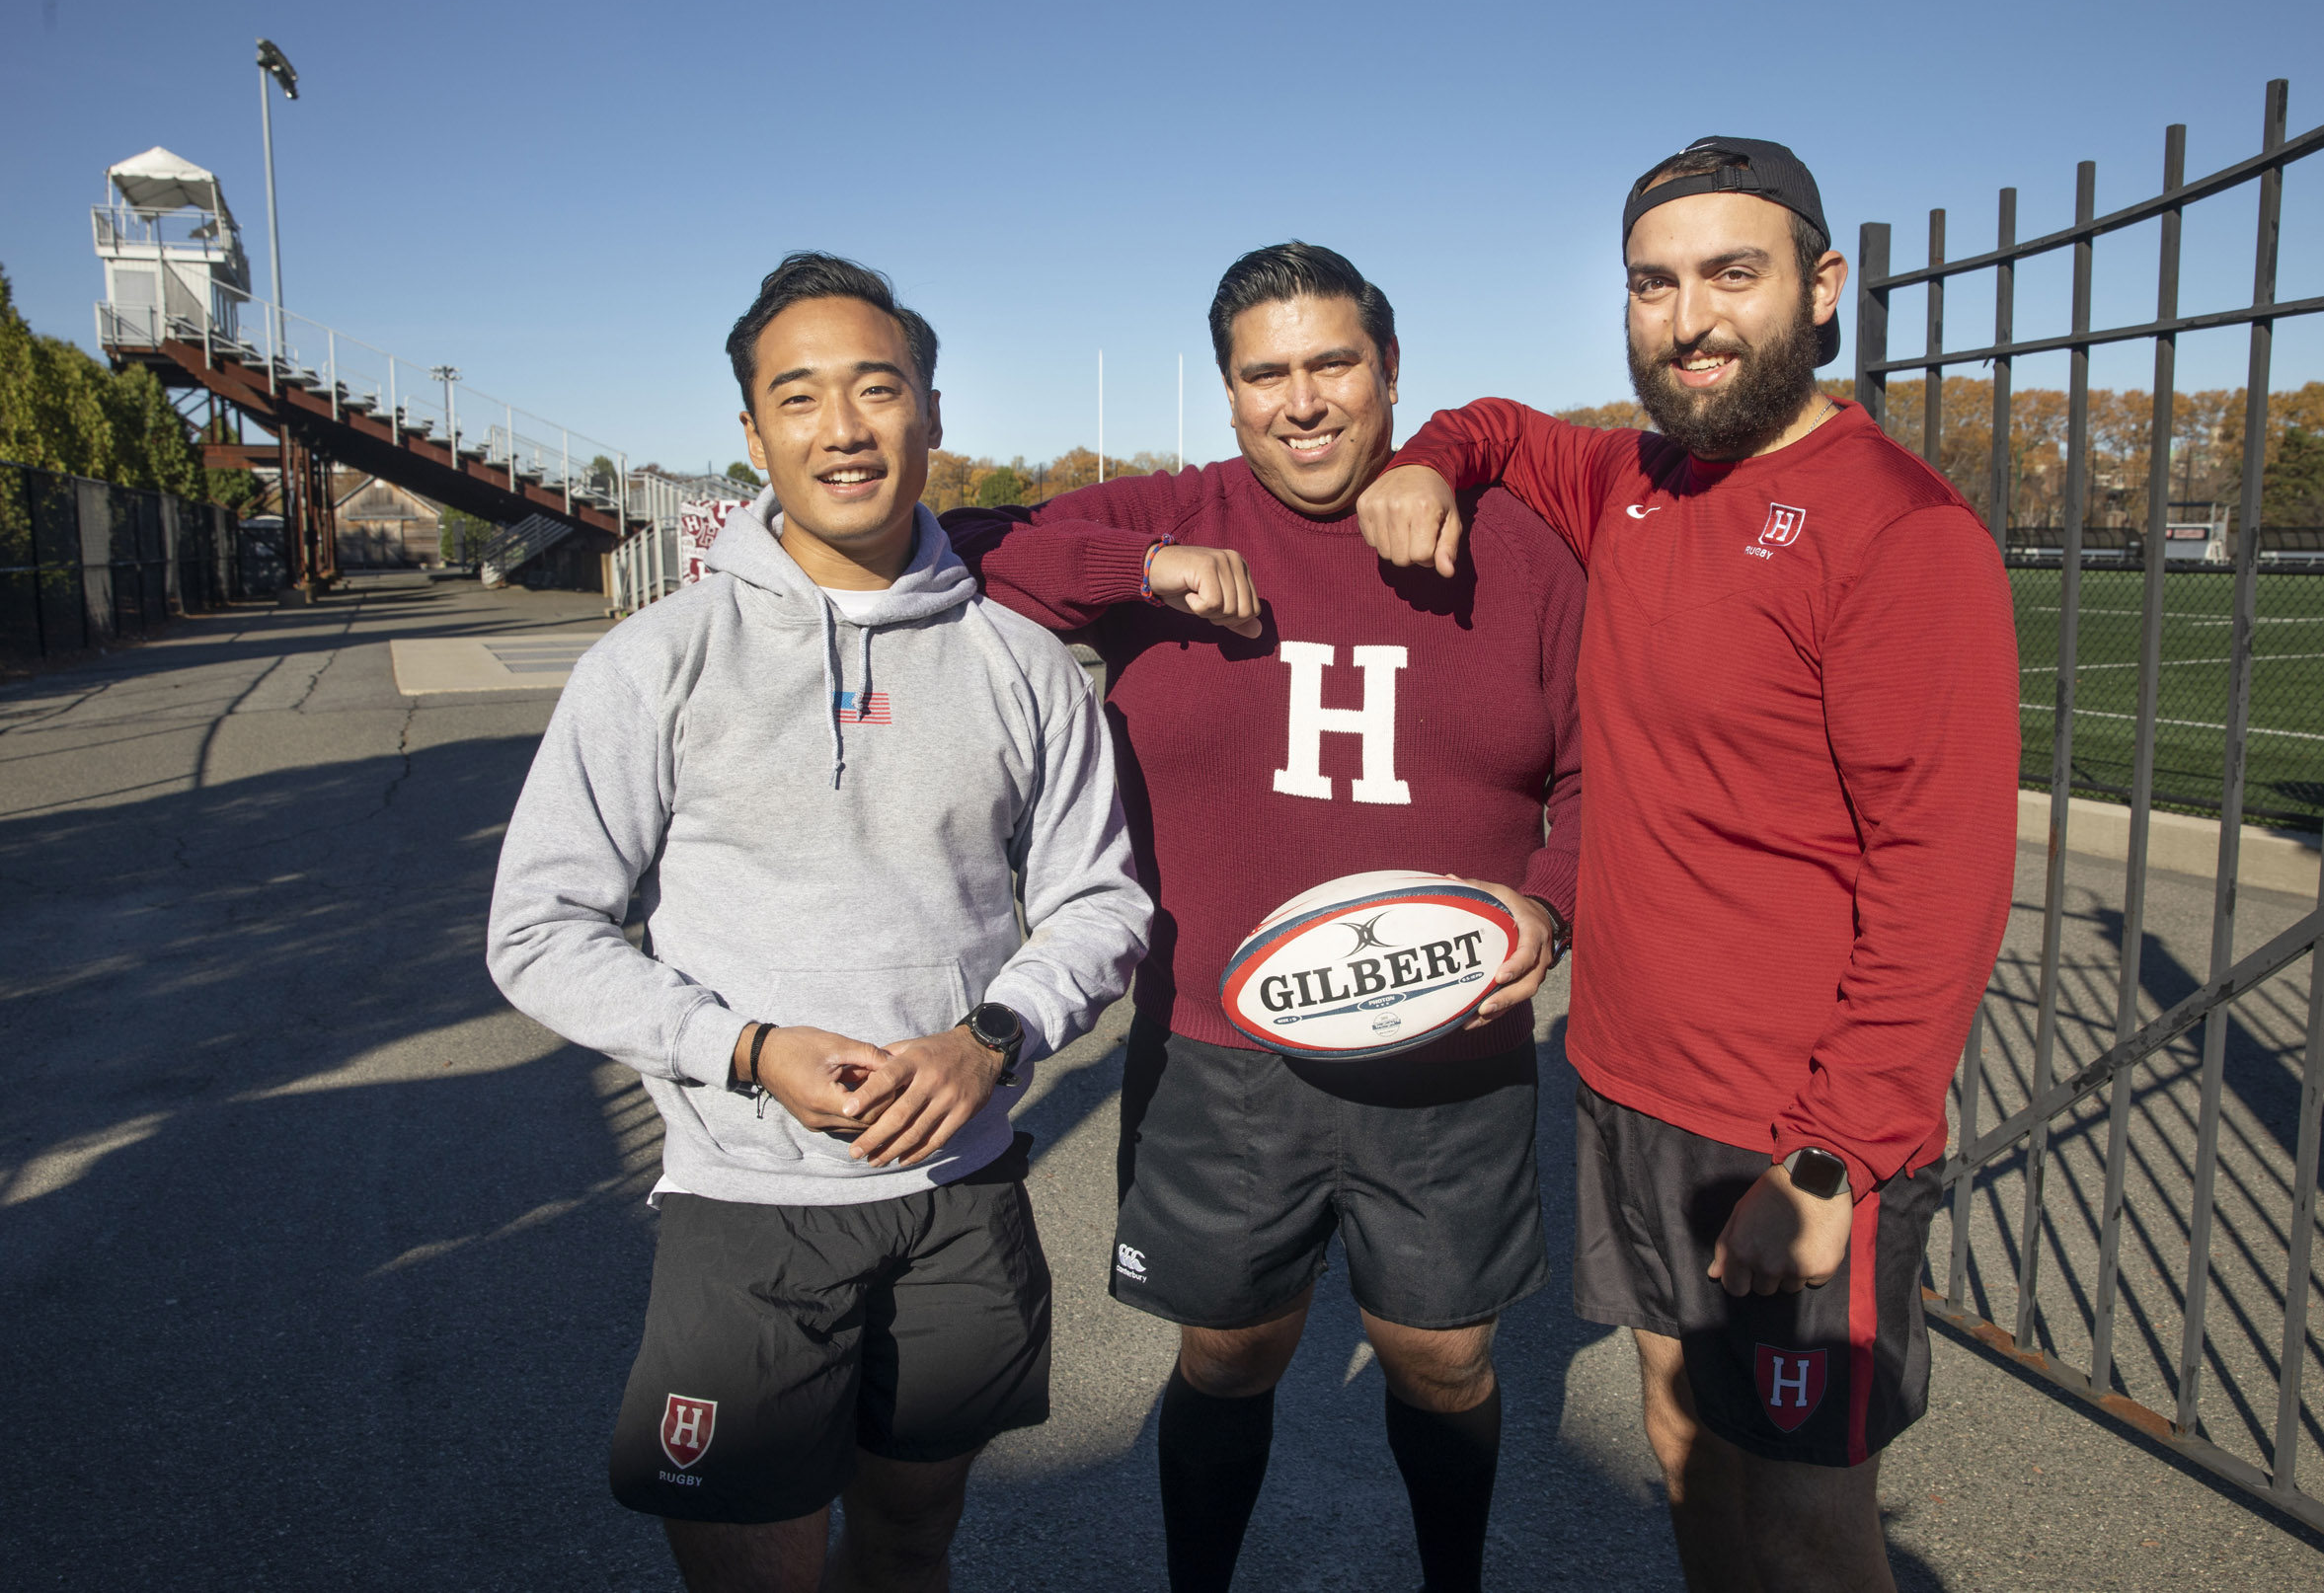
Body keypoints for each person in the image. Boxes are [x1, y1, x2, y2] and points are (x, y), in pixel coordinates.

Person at [1355, 139, 2020, 1593]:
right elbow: (1492, 424)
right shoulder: (1632, 481)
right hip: (1624, 1087)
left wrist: (1833, 1158)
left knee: (1807, 1517)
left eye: (1733, 274)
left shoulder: (1902, 531)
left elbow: (1945, 879)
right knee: (1681, 1441)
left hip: (1788, 1122)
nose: (1689, 317)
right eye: (1653, 284)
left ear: (1821, 287)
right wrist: (1422, 461)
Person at [487, 253, 1149, 1593]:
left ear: (932, 413)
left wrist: (994, 1037)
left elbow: (1100, 899)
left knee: (911, 1543)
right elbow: (540, 928)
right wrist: (742, 1048)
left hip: (963, 1196)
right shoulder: (656, 663)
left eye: (877, 387)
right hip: (747, 1211)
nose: (843, 427)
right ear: (752, 433)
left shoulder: (1021, 665)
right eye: (800, 396)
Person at [939, 242, 1586, 1593]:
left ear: (1390, 370)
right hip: (1215, 1047)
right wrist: (1146, 564)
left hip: (1446, 1042)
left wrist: (1550, 908)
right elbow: (966, 555)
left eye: (1333, 363)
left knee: (1444, 1355)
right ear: (1228, 390)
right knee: (1230, 1349)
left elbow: (1596, 772)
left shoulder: (1518, 548)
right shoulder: (1172, 516)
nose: (1303, 401)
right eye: (1266, 372)